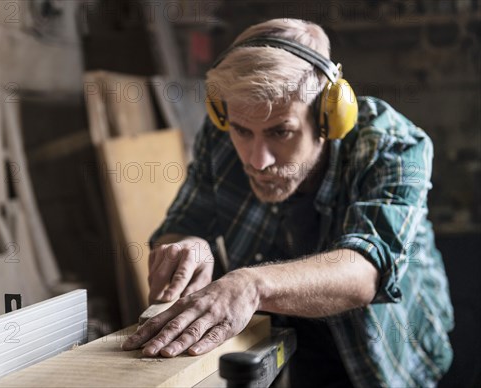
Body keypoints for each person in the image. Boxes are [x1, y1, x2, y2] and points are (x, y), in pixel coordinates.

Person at [122, 18, 454, 387]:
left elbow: (365, 272)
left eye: (280, 131)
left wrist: (251, 285)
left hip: (389, 352)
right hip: (286, 347)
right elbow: (184, 223)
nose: (256, 159)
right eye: (242, 131)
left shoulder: (393, 145)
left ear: (329, 119)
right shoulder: (220, 138)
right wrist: (186, 247)